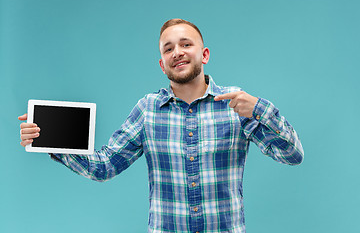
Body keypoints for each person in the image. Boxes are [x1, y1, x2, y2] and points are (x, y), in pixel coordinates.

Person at [19, 18, 304, 233]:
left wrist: (259, 110)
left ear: (204, 55)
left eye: (185, 44)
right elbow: (104, 166)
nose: (177, 52)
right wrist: (48, 138)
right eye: (169, 49)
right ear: (162, 64)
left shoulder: (236, 105)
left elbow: (292, 155)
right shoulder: (147, 110)